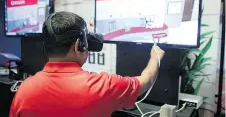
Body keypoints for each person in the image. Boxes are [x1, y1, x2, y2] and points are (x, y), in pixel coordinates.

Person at [9, 11, 165, 117]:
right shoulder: (103, 86)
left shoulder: (24, 90)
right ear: (79, 45)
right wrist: (155, 57)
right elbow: (145, 81)